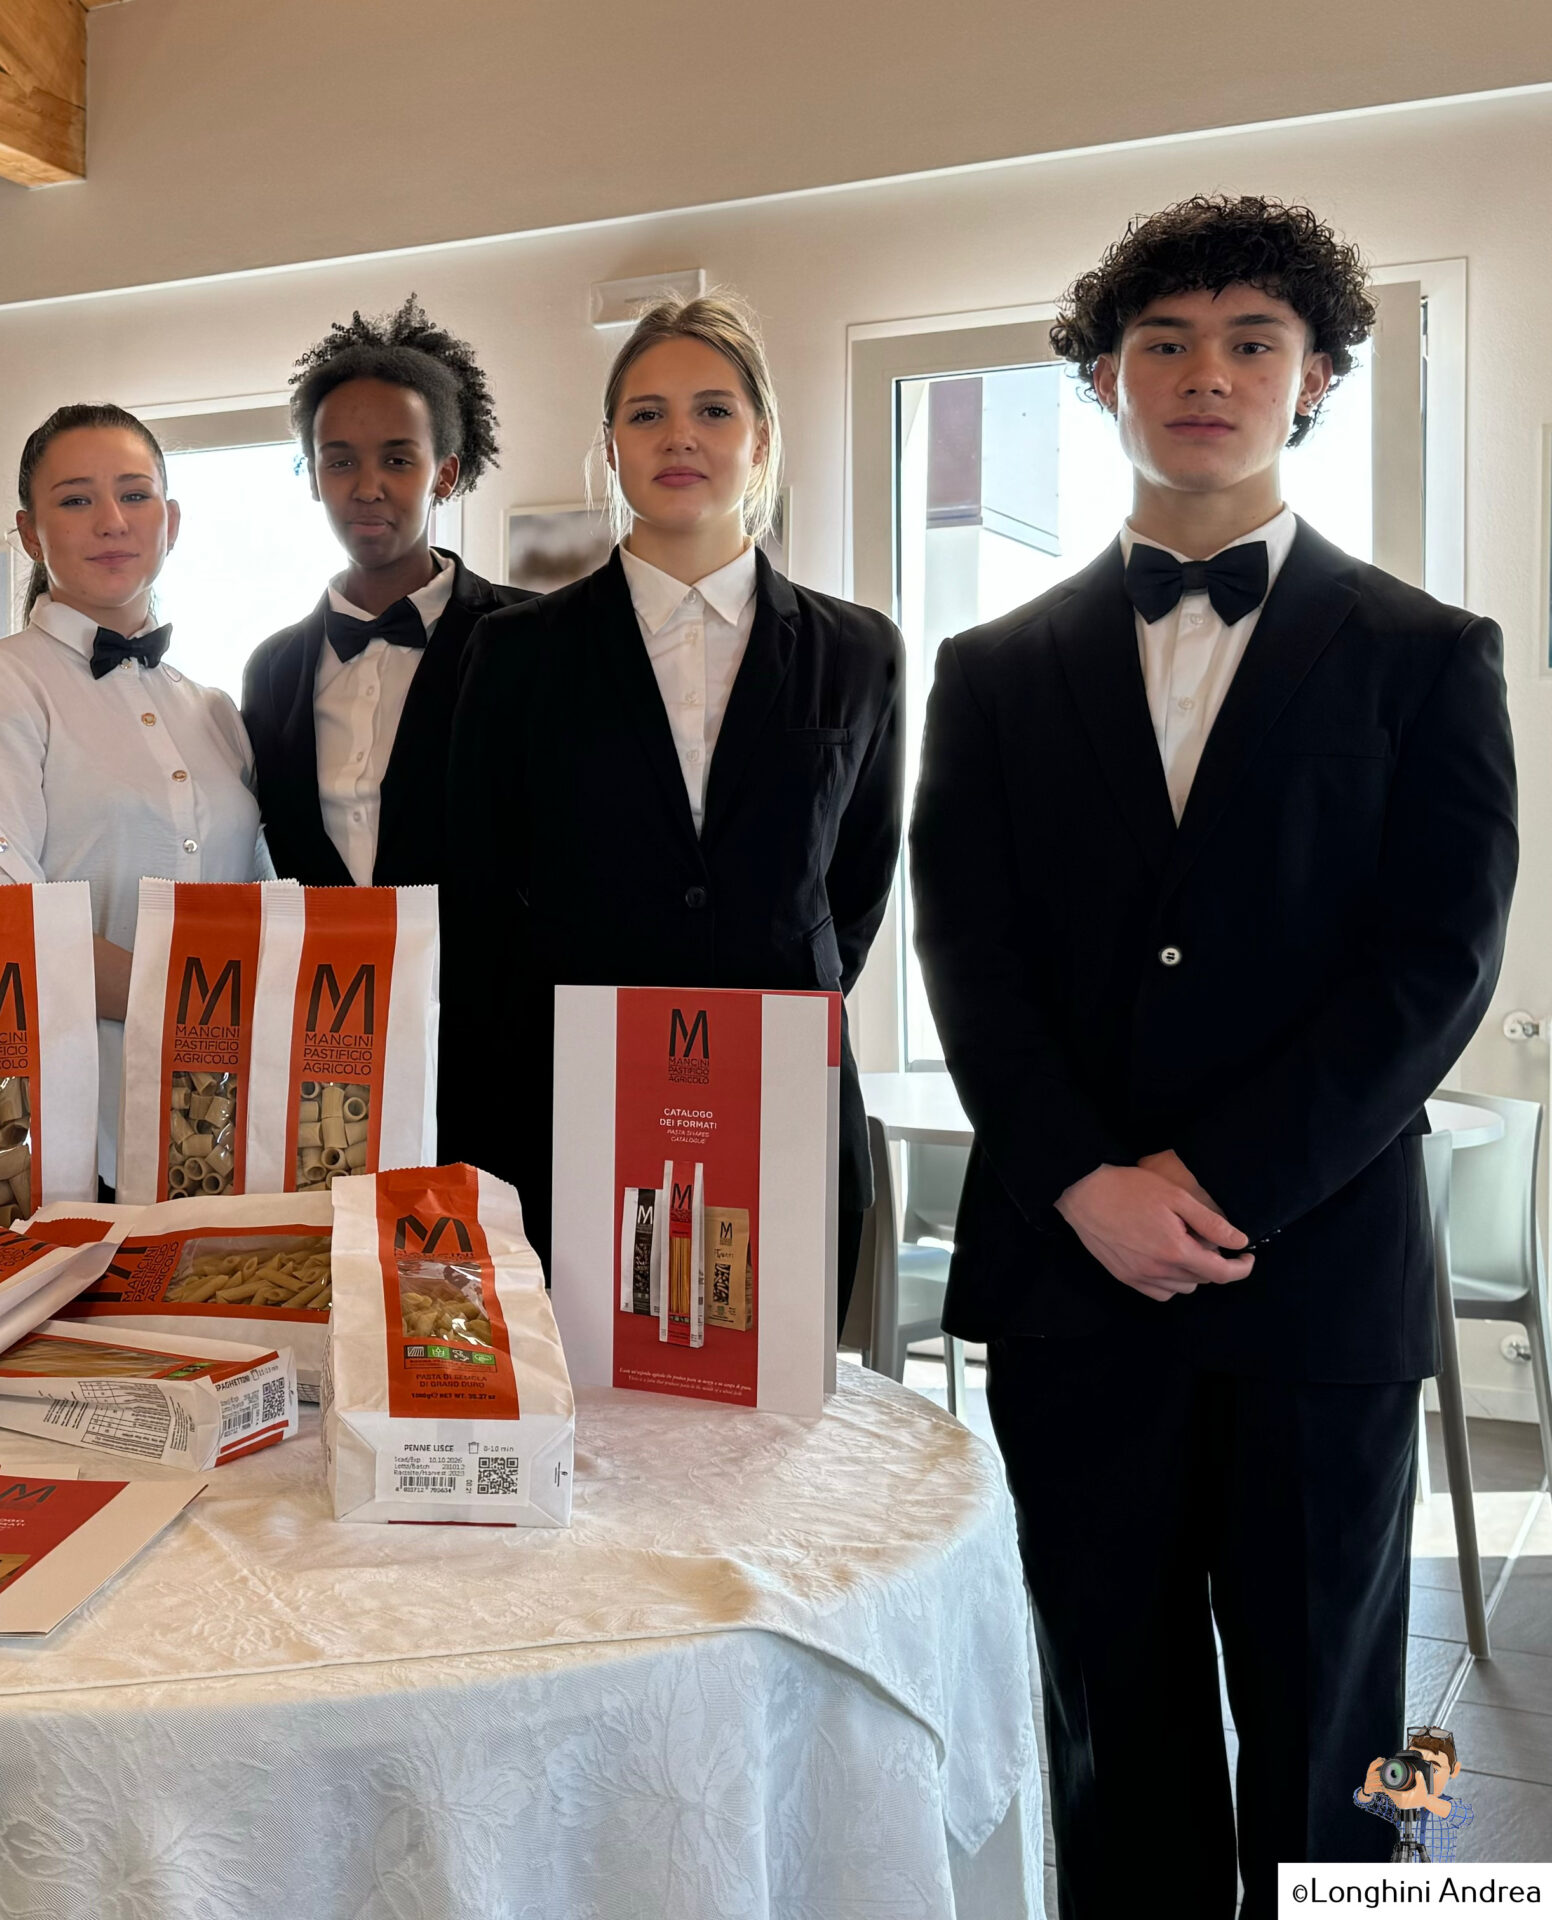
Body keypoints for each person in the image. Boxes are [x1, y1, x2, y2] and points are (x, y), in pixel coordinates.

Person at [908, 196, 1517, 1910]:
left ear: (1314, 377)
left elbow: (1437, 967)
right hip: (1070, 1281)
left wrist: (1225, 1177)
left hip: (1316, 1273)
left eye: (1254, 338)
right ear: (1105, 378)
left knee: (1352, 1719)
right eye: (1164, 340)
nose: (1206, 371)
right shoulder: (991, 670)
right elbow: (971, 957)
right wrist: (1081, 1180)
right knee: (1110, 1709)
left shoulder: (1427, 655)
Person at [444, 294, 902, 1316]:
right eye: (645, 414)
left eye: (712, 409)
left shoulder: (859, 649)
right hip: (565, 1100)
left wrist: (771, 985)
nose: (679, 436)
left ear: (761, 438)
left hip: (779, 1089)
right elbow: (477, 890)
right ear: (610, 447)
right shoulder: (516, 654)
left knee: (767, 1433)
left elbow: (857, 878)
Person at [0, 403, 269, 1191]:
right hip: (66, 1132)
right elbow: (0, 925)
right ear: (30, 533)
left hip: (229, 1126)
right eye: (75, 500)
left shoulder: (213, 711)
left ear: (170, 522)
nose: (111, 520)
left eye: (135, 496)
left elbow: (266, 903)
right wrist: (208, 1004)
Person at [241, 297, 532, 886]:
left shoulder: (529, 632)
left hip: (486, 977)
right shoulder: (271, 668)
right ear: (315, 478)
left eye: (397, 460)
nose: (367, 487)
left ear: (444, 475)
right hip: (319, 977)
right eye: (340, 461)